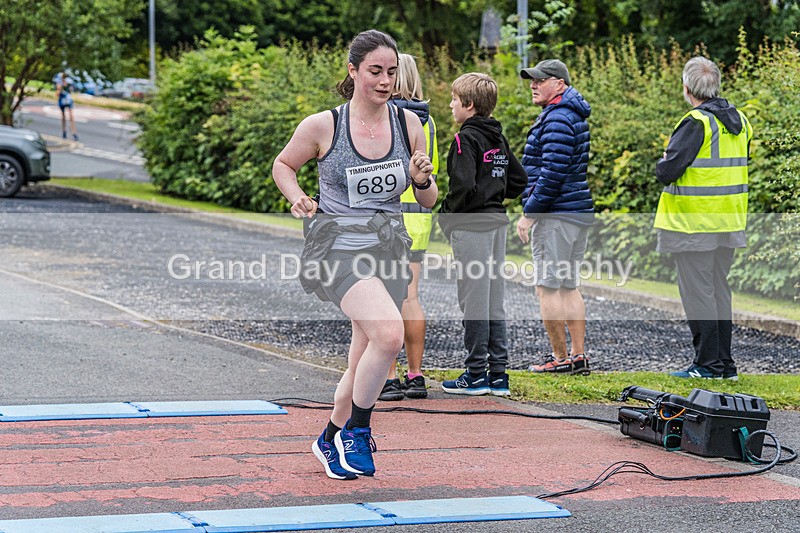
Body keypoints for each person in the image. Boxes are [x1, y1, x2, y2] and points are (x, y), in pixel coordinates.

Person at [272, 30, 437, 480]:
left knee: (362, 360)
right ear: (353, 71)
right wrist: (299, 196)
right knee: (389, 335)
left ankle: (328, 437)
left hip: (389, 249)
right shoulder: (324, 125)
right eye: (375, 71)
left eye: (391, 72)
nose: (385, 81)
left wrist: (422, 179)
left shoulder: (408, 124)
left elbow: (426, 200)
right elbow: (283, 165)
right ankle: (358, 432)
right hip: (340, 250)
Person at [654, 57, 752, 380]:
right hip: (729, 222)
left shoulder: (696, 122)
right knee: (719, 291)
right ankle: (725, 365)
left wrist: (662, 160)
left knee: (699, 294)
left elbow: (667, 171)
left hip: (694, 225)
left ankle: (707, 366)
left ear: (686, 87)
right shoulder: (740, 120)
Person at [438, 73, 528, 396]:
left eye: (453, 99)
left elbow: (462, 187)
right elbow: (519, 179)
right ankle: (498, 375)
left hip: (471, 227)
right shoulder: (498, 139)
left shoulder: (465, 140)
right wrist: (495, 194)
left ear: (469, 105)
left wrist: (446, 216)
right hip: (497, 225)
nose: (450, 105)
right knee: (493, 300)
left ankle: (475, 373)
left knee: (473, 300)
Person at [516, 59, 594, 375]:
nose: (533, 84)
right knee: (568, 287)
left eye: (540, 80)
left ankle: (560, 359)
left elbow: (552, 173)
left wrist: (529, 214)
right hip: (576, 212)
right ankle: (577, 356)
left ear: (559, 84)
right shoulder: (568, 114)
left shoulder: (558, 118)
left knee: (548, 287)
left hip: (555, 215)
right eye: (532, 80)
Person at [378, 53, 439, 402]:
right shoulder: (427, 121)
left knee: (385, 298)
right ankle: (415, 375)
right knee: (411, 296)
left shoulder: (386, 118)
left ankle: (388, 376)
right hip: (420, 214)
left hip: (390, 214)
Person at [56, 72, 79, 141]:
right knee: (63, 117)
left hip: (68, 100)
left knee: (71, 116)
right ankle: (64, 131)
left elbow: (71, 91)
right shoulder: (59, 83)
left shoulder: (69, 83)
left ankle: (74, 133)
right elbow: (57, 93)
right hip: (62, 101)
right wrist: (60, 89)